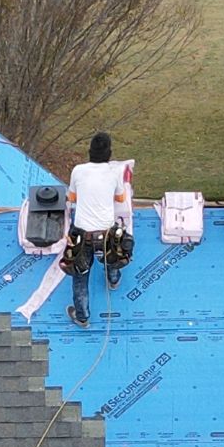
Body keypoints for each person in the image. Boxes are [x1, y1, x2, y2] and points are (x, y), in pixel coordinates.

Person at [63, 131, 134, 328]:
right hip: (106, 232)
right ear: (109, 154)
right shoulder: (114, 173)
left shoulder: (78, 171)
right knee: (112, 255)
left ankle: (82, 316)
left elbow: (72, 198)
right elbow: (120, 198)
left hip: (82, 234)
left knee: (80, 275)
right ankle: (113, 279)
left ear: (90, 152)